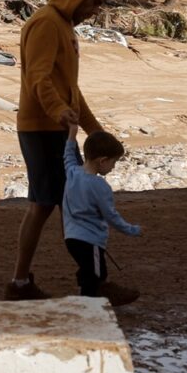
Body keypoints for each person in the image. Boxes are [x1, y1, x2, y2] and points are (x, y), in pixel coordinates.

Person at [6, 0, 111, 301]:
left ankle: (22, 283)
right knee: (68, 205)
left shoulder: (63, 26)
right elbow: (39, 78)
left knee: (48, 205)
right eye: (93, 3)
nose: (95, 11)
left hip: (54, 129)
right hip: (45, 129)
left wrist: (96, 131)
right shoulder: (47, 24)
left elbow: (70, 89)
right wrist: (57, 112)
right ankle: (92, 283)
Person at [62, 125, 142, 306]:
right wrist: (131, 229)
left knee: (90, 270)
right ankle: (89, 305)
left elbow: (67, 155)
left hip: (71, 237)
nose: (113, 168)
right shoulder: (100, 186)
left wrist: (72, 133)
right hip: (90, 240)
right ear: (103, 161)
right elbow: (111, 216)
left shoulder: (72, 173)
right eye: (113, 163)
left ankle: (88, 299)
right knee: (97, 275)